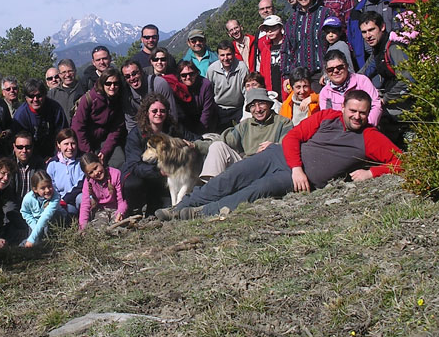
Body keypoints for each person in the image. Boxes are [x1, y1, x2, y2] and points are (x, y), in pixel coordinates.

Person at [156, 90, 402, 220]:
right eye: (353, 110)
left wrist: (372, 172)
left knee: (256, 190)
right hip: (282, 157)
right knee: (231, 176)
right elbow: (294, 137)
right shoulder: (328, 117)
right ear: (344, 107)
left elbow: (403, 161)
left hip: (299, 177)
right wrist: (296, 167)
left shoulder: (370, 137)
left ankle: (200, 214)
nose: (357, 116)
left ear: (369, 112)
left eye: (363, 112)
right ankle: (181, 206)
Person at [122, 93, 197, 216]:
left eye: (162, 111)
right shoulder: (135, 135)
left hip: (166, 180)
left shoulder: (173, 129)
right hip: (143, 176)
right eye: (154, 111)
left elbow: (194, 139)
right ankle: (134, 211)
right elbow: (134, 165)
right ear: (147, 113)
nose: (158, 113)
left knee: (164, 207)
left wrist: (192, 144)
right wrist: (159, 171)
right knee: (133, 184)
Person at [198, 87, 293, 181]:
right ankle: (212, 186)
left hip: (269, 168)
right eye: (252, 106)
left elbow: (289, 147)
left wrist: (274, 147)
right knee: (217, 146)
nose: (258, 109)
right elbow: (224, 140)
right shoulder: (245, 125)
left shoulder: (283, 123)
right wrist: (195, 145)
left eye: (261, 104)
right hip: (246, 166)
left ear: (269, 104)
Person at [358, 11, 414, 145]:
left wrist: (385, 99)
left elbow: (408, 81)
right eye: (364, 32)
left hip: (408, 107)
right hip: (394, 103)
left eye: (371, 30)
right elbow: (363, 74)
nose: (368, 36)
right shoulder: (378, 49)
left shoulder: (393, 48)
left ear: (382, 27)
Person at [280, 0, 334, 92]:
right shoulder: (292, 20)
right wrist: (286, 76)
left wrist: (328, 71)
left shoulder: (326, 13)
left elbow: (334, 44)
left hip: (320, 76)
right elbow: (286, 49)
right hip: (298, 77)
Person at [71, 67, 127, 168]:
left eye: (116, 83)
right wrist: (88, 153)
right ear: (102, 83)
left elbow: (116, 128)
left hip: (106, 140)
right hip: (86, 141)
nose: (112, 86)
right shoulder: (89, 99)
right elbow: (78, 127)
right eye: (108, 83)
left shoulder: (118, 100)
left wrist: (105, 151)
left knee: (119, 161)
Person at [347, 0, 399, 69]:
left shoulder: (395, 2)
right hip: (370, 62)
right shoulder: (357, 11)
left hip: (395, 59)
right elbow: (353, 39)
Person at [318, 49, 382, 127]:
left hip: (366, 127)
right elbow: (327, 117)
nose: (335, 71)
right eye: (330, 69)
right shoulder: (325, 93)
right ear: (326, 72)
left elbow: (376, 104)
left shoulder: (362, 81)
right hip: (340, 132)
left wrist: (367, 126)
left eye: (340, 67)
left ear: (347, 66)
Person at [11, 78, 69, 160]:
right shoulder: (21, 116)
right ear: (25, 98)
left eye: (39, 96)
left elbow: (63, 135)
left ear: (45, 95)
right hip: (30, 157)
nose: (35, 100)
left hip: (56, 155)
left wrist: (56, 156)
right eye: (31, 96)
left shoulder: (55, 108)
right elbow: (21, 145)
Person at [120, 59, 177, 133]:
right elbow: (131, 123)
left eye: (134, 73)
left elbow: (172, 115)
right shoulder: (127, 94)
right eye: (127, 76)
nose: (132, 78)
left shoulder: (159, 84)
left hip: (165, 128)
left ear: (141, 72)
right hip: (144, 132)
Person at [78, 152, 127, 230]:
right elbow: (85, 206)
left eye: (96, 168)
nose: (96, 173)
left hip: (116, 209)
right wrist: (82, 227)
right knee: (99, 228)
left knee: (117, 227)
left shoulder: (115, 174)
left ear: (101, 161)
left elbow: (122, 200)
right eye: (91, 172)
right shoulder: (88, 183)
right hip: (100, 211)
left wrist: (120, 212)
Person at [206, 40, 248, 130]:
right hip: (219, 109)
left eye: (228, 54)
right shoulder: (212, 69)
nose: (226, 58)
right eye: (222, 55)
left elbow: (246, 92)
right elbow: (208, 93)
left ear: (233, 54)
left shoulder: (241, 67)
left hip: (238, 108)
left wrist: (246, 114)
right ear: (218, 56)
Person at [0, 158, 26, 249]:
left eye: (9, 175)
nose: (5, 178)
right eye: (2, 173)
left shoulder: (6, 191)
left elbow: (11, 209)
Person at [46, 128, 85, 220]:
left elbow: (82, 183)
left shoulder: (82, 160)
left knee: (83, 199)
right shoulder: (52, 163)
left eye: (73, 143)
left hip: (76, 197)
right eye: (66, 144)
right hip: (59, 200)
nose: (70, 148)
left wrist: (67, 198)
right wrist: (58, 199)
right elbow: (50, 183)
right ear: (59, 145)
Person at [19, 170, 64, 247]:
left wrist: (32, 238)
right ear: (35, 189)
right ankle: (21, 247)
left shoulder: (55, 197)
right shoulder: (28, 198)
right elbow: (25, 212)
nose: (47, 190)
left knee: (45, 236)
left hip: (51, 220)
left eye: (49, 186)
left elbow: (46, 216)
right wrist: (34, 226)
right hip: (35, 222)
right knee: (35, 241)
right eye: (43, 188)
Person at [175, 60, 218, 135]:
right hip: (188, 122)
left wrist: (200, 131)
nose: (188, 77)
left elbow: (207, 110)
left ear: (196, 73)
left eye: (191, 74)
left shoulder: (205, 84)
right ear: (179, 77)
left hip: (207, 121)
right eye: (184, 75)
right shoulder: (178, 88)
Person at [257, 15, 286, 99]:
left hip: (286, 89)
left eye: (273, 27)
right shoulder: (265, 48)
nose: (269, 31)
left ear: (280, 27)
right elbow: (262, 71)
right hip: (271, 92)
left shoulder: (288, 45)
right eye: (266, 28)